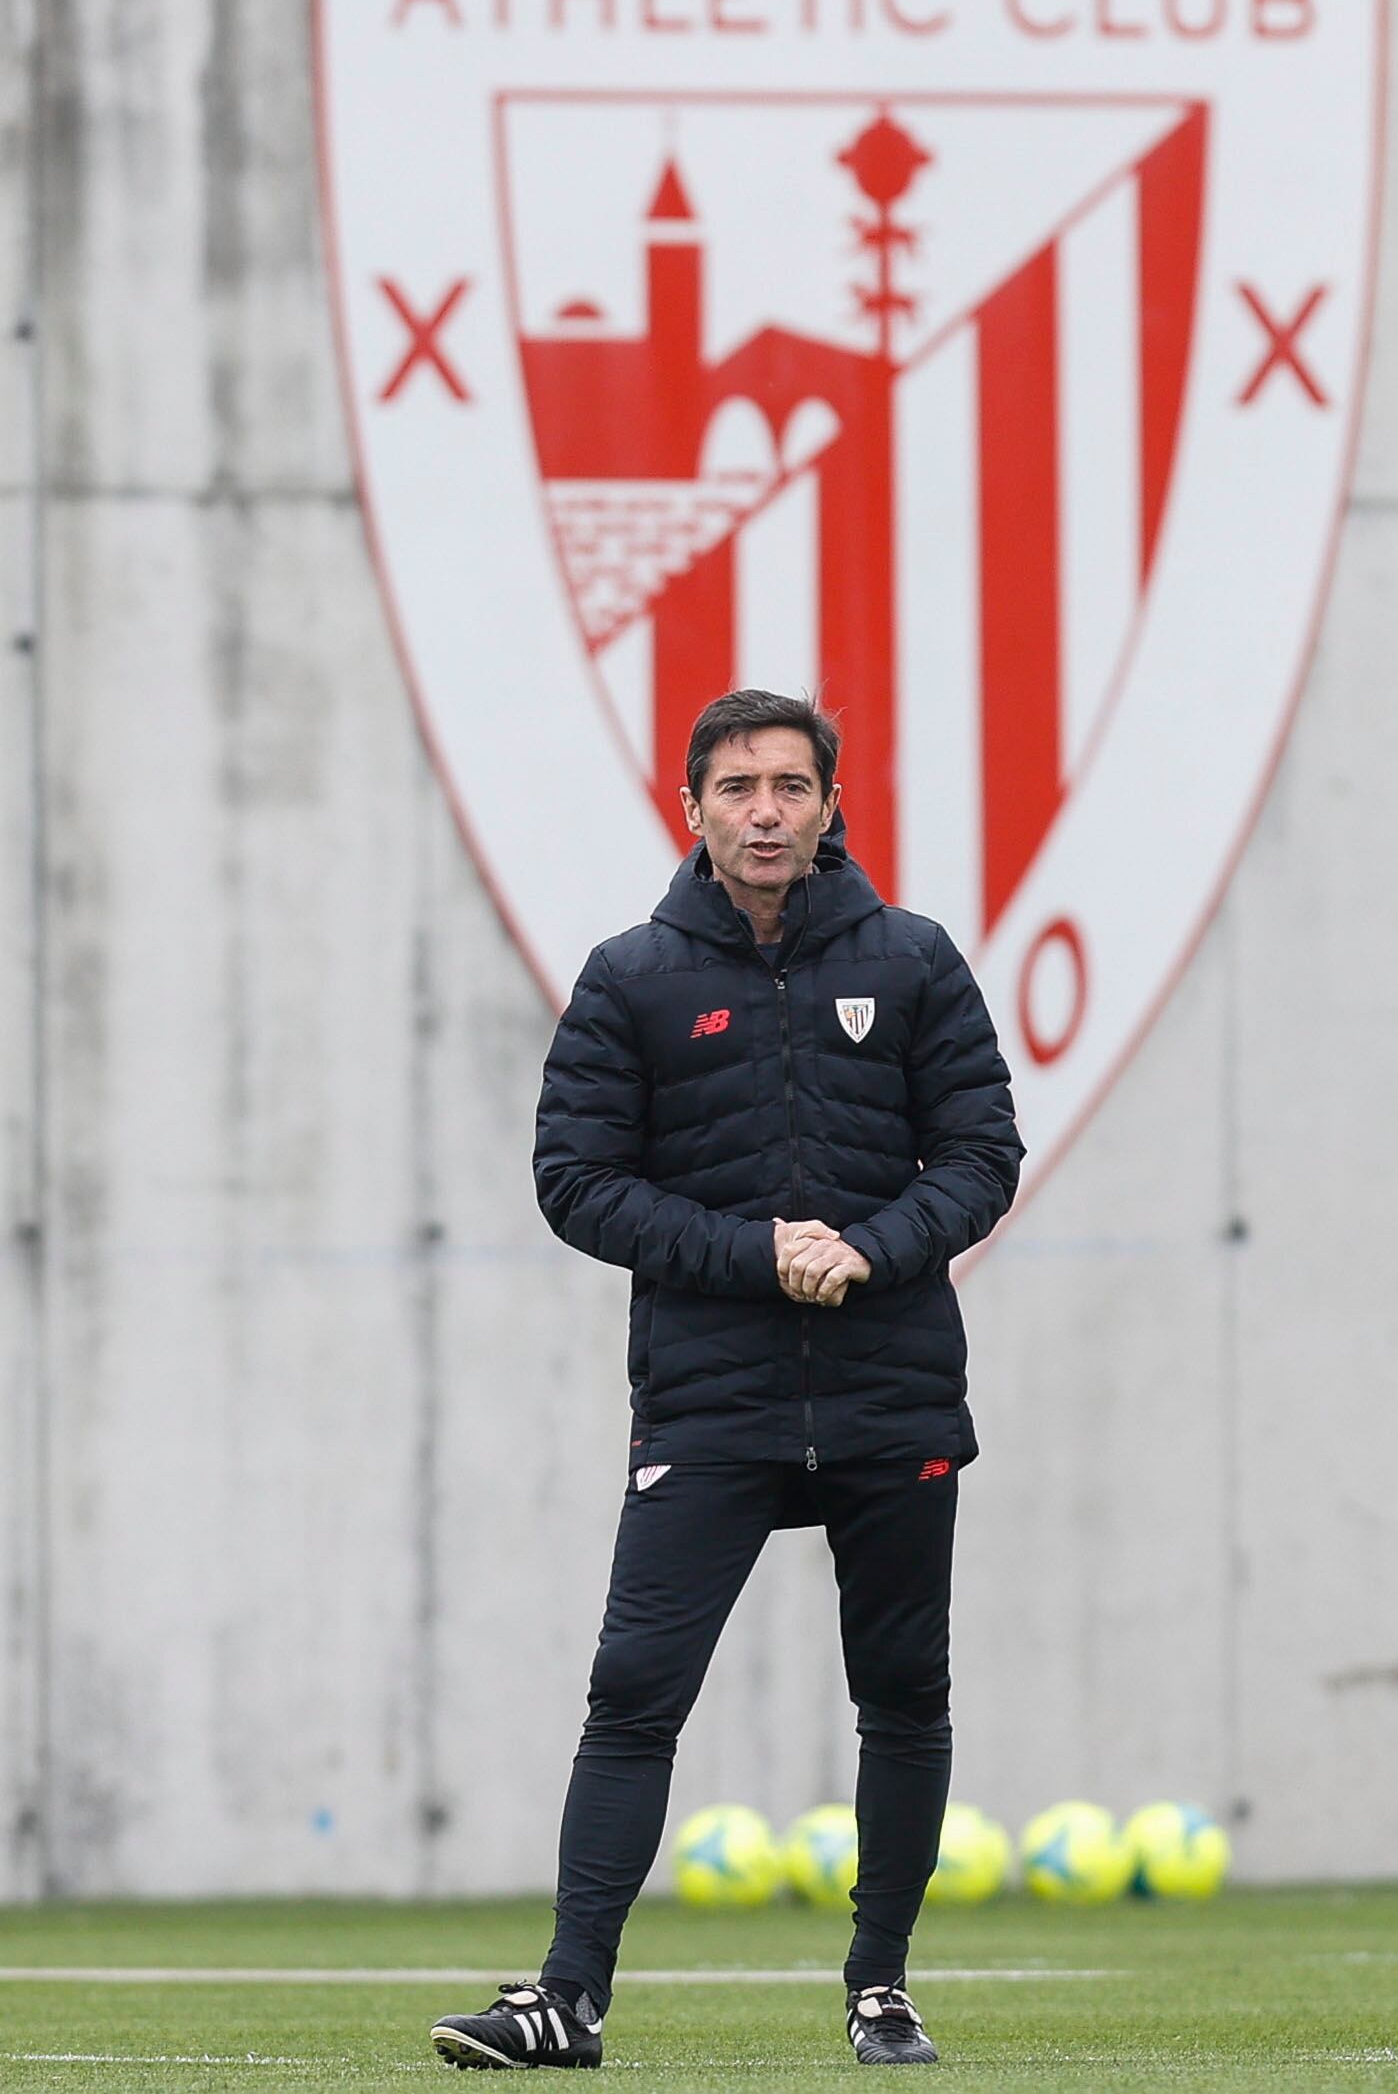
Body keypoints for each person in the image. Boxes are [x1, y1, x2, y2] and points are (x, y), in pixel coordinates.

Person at [432, 690, 1024, 2072]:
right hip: (711, 1401)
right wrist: (761, 1254)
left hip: (892, 1394)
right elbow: (574, 1182)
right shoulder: (631, 976)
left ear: (831, 808)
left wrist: (866, 1254)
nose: (767, 811)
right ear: (692, 807)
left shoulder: (919, 960)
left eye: (792, 787)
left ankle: (880, 1983)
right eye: (740, 787)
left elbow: (984, 1152)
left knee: (903, 1690)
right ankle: (567, 1999)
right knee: (634, 1687)